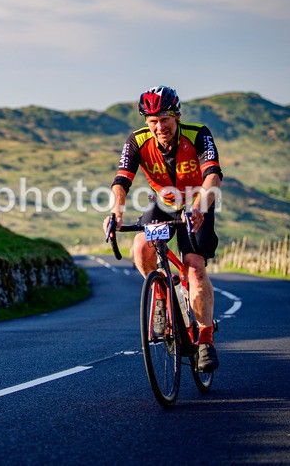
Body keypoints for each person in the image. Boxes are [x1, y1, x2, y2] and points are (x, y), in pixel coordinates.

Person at [103, 85, 223, 371]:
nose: (159, 127)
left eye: (165, 119)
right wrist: (116, 212)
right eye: (153, 121)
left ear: (177, 116)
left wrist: (200, 207)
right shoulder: (137, 140)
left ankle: (205, 339)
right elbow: (121, 180)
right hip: (164, 203)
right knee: (141, 246)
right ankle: (161, 295)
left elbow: (213, 176)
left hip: (197, 203)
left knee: (194, 267)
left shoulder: (198, 134)